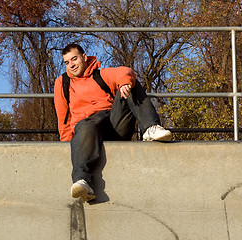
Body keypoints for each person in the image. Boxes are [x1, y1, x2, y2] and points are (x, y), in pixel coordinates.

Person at [54, 43, 172, 202]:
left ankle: (150, 127)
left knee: (129, 83)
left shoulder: (100, 75)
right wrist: (65, 142)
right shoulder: (63, 83)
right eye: (67, 62)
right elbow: (63, 116)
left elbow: (125, 71)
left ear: (84, 57)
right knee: (84, 124)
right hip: (87, 132)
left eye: (74, 59)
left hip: (113, 126)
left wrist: (124, 82)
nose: (71, 65)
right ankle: (83, 181)